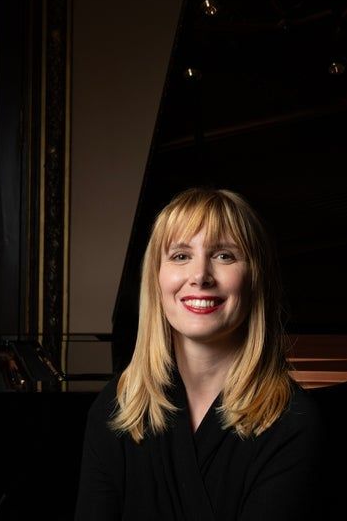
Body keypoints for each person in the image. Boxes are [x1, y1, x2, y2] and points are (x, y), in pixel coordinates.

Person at [74, 188, 324, 521]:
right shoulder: (115, 408)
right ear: (156, 279)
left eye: (224, 256)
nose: (200, 276)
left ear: (255, 278)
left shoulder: (293, 423)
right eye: (180, 256)